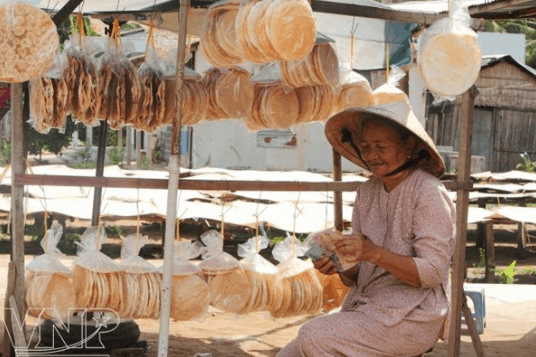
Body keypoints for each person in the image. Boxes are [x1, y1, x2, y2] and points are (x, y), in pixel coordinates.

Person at [277, 100, 456, 357]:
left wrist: (373, 253)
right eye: (365, 147)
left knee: (313, 336)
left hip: (414, 316)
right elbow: (357, 278)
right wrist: (339, 264)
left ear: (408, 146)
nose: (372, 155)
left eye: (381, 147)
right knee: (289, 355)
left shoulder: (427, 192)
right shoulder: (367, 190)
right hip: (368, 308)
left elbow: (433, 273)